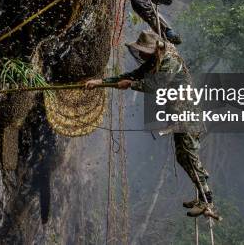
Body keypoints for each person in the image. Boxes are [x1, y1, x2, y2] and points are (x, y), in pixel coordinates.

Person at [85, 30, 219, 219]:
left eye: (143, 51)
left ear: (153, 50)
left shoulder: (170, 62)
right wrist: (101, 82)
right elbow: (133, 75)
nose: (140, 54)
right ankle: (202, 188)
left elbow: (155, 86)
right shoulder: (154, 61)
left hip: (187, 116)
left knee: (189, 156)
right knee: (183, 157)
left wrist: (131, 85)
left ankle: (207, 201)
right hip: (177, 115)